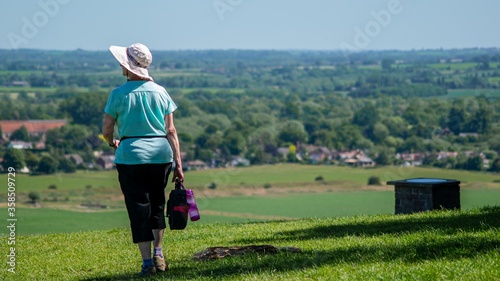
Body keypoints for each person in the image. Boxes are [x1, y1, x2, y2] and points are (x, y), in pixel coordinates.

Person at [102, 43, 184, 276]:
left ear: (128, 67)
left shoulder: (118, 94)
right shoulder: (161, 92)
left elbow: (107, 128)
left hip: (130, 156)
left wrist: (112, 142)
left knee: (138, 208)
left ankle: (147, 263)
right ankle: (159, 253)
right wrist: (178, 163)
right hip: (161, 155)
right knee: (158, 203)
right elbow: (171, 131)